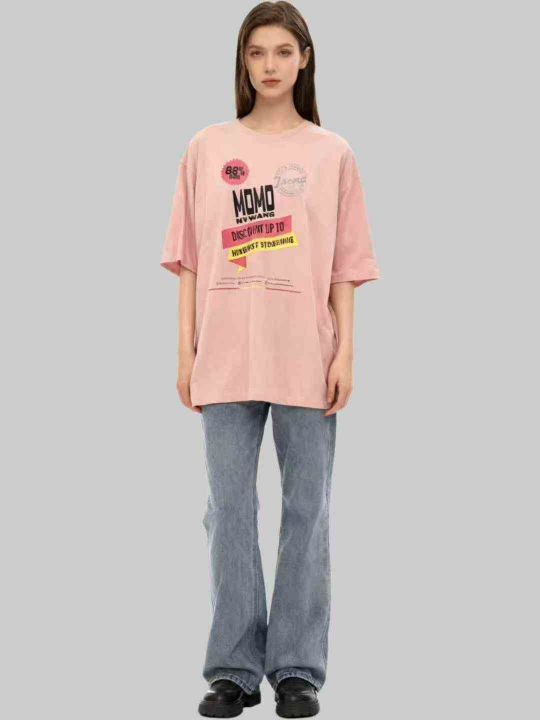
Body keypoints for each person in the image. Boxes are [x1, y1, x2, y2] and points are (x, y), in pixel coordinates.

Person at [160, 2, 381, 717]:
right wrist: (185, 349)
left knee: (306, 511)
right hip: (225, 353)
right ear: (243, 61)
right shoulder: (207, 147)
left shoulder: (332, 153)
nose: (270, 65)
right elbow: (190, 260)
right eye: (257, 52)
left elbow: (345, 266)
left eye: (284, 51)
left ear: (305, 58)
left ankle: (296, 669)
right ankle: (233, 668)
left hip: (306, 354)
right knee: (229, 510)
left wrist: (346, 351)